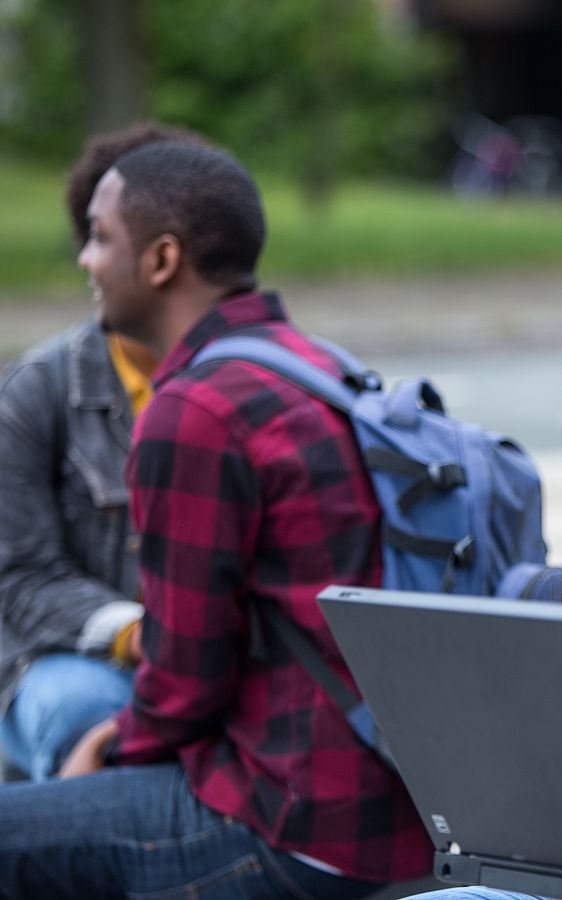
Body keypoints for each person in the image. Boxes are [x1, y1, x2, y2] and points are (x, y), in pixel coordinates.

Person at [0, 142, 431, 898]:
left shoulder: (195, 409)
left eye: (100, 238)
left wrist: (111, 753)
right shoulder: (318, 365)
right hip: (398, 801)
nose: (86, 261)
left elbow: (184, 679)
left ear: (162, 259)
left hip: (287, 826)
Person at [0, 122, 201, 781]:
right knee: (81, 709)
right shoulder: (39, 390)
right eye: (92, 237)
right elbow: (21, 580)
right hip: (66, 657)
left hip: (210, 661)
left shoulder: (253, 383)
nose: (88, 259)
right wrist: (139, 633)